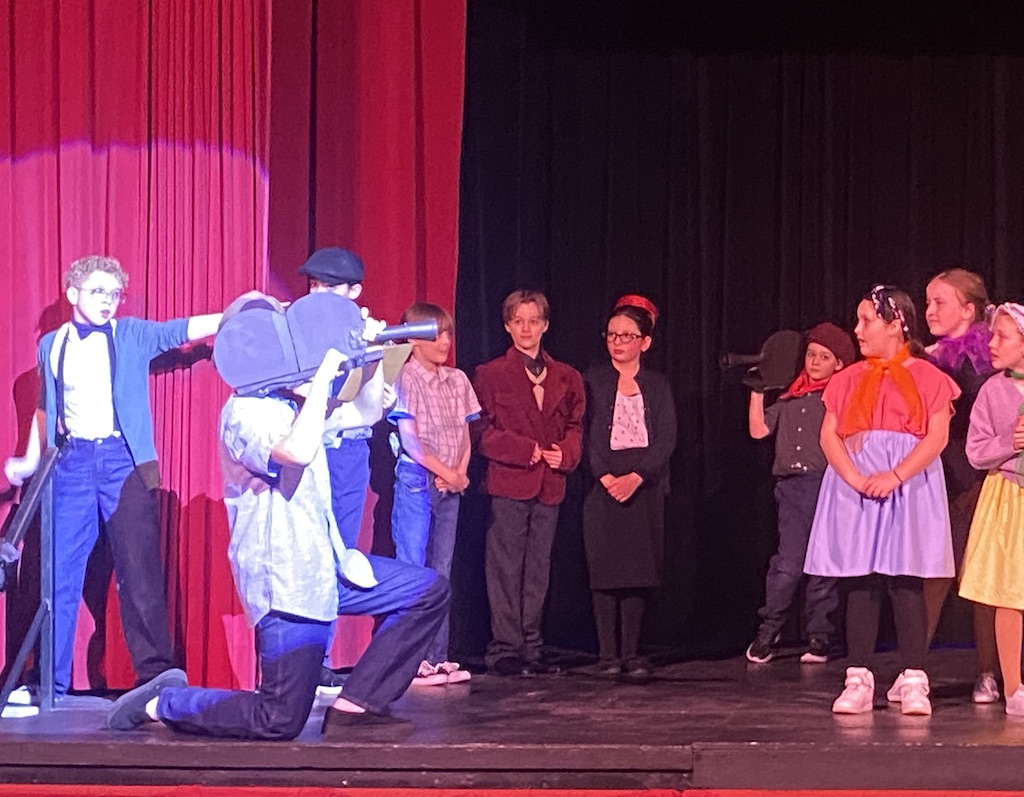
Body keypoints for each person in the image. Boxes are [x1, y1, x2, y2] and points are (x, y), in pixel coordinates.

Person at [106, 299, 449, 740]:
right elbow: (297, 451)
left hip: (328, 568)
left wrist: (373, 356)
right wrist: (323, 377)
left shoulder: (292, 404)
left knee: (426, 592)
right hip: (285, 581)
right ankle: (165, 701)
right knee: (279, 719)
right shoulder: (244, 413)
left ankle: (356, 705)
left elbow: (364, 413)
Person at [3, 255, 225, 700]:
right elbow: (47, 409)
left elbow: (179, 330)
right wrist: (28, 461)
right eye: (97, 292)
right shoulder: (52, 345)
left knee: (138, 570)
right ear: (73, 294)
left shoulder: (131, 334)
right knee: (57, 575)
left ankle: (157, 676)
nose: (107, 302)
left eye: (113, 293)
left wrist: (242, 311)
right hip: (71, 463)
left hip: (123, 461)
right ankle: (48, 682)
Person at [804, 285, 959, 716]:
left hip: (906, 482)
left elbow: (937, 436)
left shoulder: (930, 378)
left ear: (896, 326)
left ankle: (913, 678)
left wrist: (895, 474)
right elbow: (829, 434)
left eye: (866, 321)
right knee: (862, 580)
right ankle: (859, 677)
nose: (857, 329)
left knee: (905, 579)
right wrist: (854, 477)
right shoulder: (847, 378)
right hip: (856, 485)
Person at [297, 247, 395, 692]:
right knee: (304, 551)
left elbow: (370, 410)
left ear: (354, 291)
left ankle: (319, 660)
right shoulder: (298, 327)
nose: (319, 293)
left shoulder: (367, 332)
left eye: (330, 286)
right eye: (314, 284)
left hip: (349, 451)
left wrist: (377, 376)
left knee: (337, 554)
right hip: (307, 447)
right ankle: (295, 660)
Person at [473, 289, 585, 676]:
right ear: (507, 326)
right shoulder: (490, 374)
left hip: (549, 484)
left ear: (545, 325)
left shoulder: (566, 376)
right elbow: (481, 432)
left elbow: (575, 426)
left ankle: (532, 645)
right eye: (518, 321)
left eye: (533, 321)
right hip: (509, 481)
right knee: (505, 566)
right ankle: (505, 647)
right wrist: (525, 450)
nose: (526, 329)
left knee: (538, 567)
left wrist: (565, 454)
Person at [745, 322, 854, 665]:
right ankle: (770, 628)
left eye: (824, 357)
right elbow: (759, 429)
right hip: (792, 489)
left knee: (825, 564)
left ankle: (819, 636)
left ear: (839, 364)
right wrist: (757, 390)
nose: (815, 362)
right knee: (789, 564)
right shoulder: (790, 397)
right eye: (811, 355)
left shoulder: (840, 398)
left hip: (829, 485)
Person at [582, 295, 676, 676]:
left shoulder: (656, 385)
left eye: (627, 335)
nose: (618, 341)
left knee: (638, 569)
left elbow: (667, 437)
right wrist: (605, 476)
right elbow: (583, 433)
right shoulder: (591, 381)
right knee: (604, 569)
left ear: (645, 342)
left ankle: (632, 653)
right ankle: (606, 655)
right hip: (601, 483)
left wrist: (638, 477)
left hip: (643, 483)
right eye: (612, 335)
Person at [390, 302, 481, 686]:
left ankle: (437, 656)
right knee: (414, 569)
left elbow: (464, 433)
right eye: (436, 333)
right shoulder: (403, 378)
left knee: (441, 571)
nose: (445, 341)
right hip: (418, 480)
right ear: (414, 339)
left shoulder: (457, 380)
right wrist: (446, 474)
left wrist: (460, 473)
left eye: (447, 333)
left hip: (450, 482)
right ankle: (408, 661)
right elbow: (411, 442)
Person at [922, 268, 999, 704]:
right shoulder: (929, 357)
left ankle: (988, 671)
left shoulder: (986, 360)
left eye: (940, 303)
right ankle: (914, 667)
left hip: (979, 481)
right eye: (928, 302)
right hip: (937, 480)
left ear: (969, 310)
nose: (930, 310)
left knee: (983, 579)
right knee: (931, 576)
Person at [958, 302, 1024, 715]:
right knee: (1009, 592)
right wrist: (1010, 445)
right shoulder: (992, 390)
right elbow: (976, 451)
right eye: (991, 335)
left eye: (1002, 337)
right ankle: (1013, 687)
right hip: (1008, 498)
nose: (992, 344)